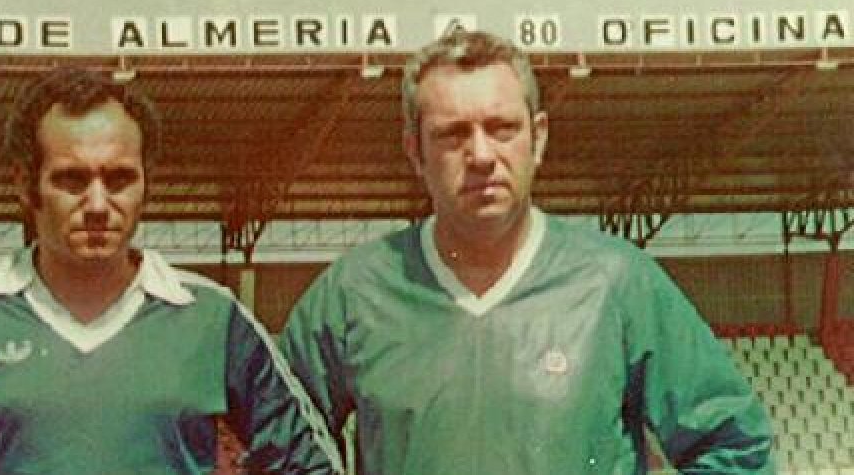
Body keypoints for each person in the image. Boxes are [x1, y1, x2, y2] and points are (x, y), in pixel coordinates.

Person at [0, 68, 344, 474]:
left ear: (146, 182)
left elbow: (311, 464)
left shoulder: (213, 319)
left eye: (119, 178)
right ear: (26, 184)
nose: (98, 202)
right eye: (71, 179)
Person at [280, 30, 775, 473]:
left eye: (502, 128)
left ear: (537, 137)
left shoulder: (616, 283)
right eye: (453, 134)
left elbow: (736, 446)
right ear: (414, 151)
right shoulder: (354, 291)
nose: (480, 155)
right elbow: (281, 449)